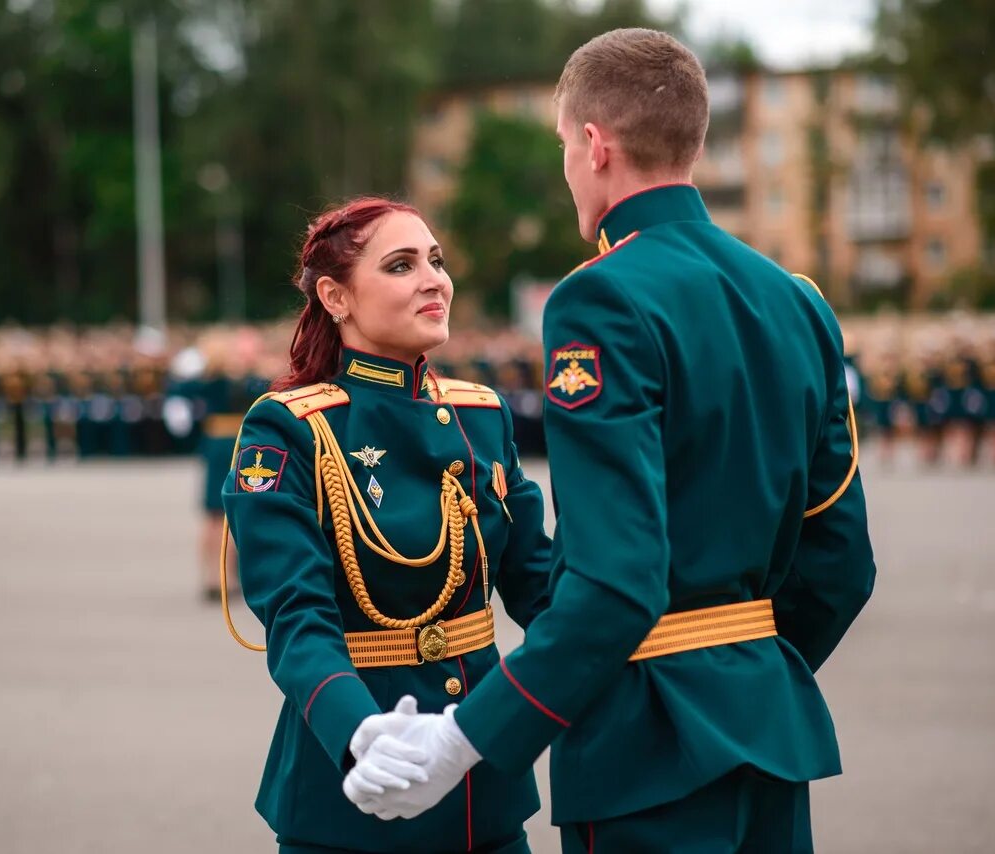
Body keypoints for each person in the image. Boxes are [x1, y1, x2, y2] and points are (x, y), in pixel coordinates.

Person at [346, 29, 876, 853]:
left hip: (648, 743)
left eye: (564, 144)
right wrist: (743, 672)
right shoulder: (797, 300)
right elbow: (842, 562)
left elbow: (617, 585)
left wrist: (464, 740)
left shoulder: (601, 301)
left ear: (594, 146)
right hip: (770, 733)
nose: (566, 166)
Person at [221, 197, 554, 854]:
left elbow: (543, 587)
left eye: (435, 260)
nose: (434, 279)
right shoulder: (291, 427)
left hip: (480, 792)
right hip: (351, 793)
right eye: (401, 265)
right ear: (335, 296)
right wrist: (358, 731)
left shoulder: (480, 415)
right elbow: (296, 614)